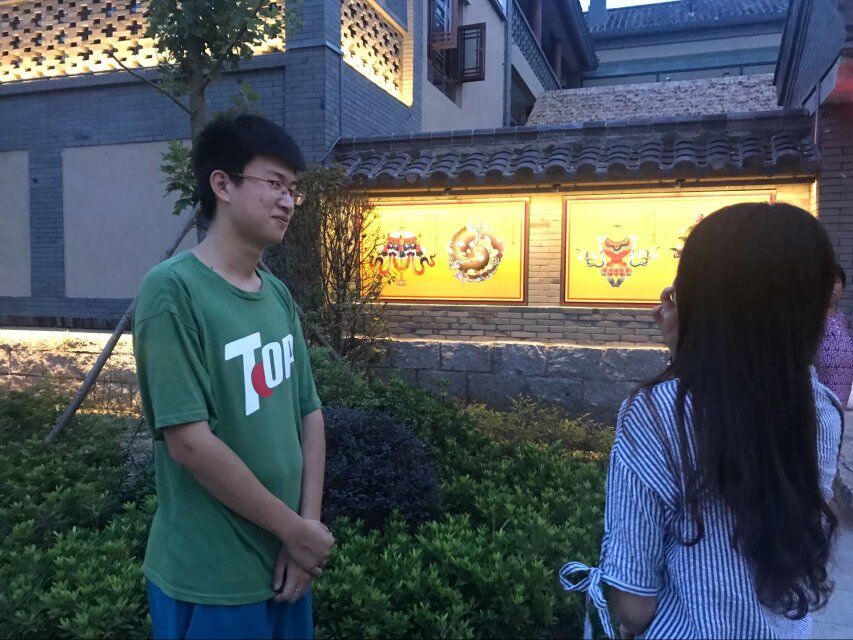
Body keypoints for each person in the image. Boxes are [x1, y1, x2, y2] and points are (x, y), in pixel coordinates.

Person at [560, 203, 842, 639]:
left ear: (699, 297)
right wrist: (686, 351)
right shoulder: (823, 410)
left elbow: (633, 601)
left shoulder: (654, 412)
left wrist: (687, 354)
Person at [133, 113, 334, 640]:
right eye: (275, 183)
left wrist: (305, 532)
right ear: (222, 184)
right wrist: (295, 531)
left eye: (293, 190)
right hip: (211, 577)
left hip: (287, 566)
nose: (288, 201)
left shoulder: (276, 293)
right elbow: (189, 443)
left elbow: (309, 412)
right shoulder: (172, 291)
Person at [815, 263, 853, 407]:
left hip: (843, 386)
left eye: (836, 281)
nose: (832, 287)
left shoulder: (842, 319)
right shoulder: (812, 318)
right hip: (820, 389)